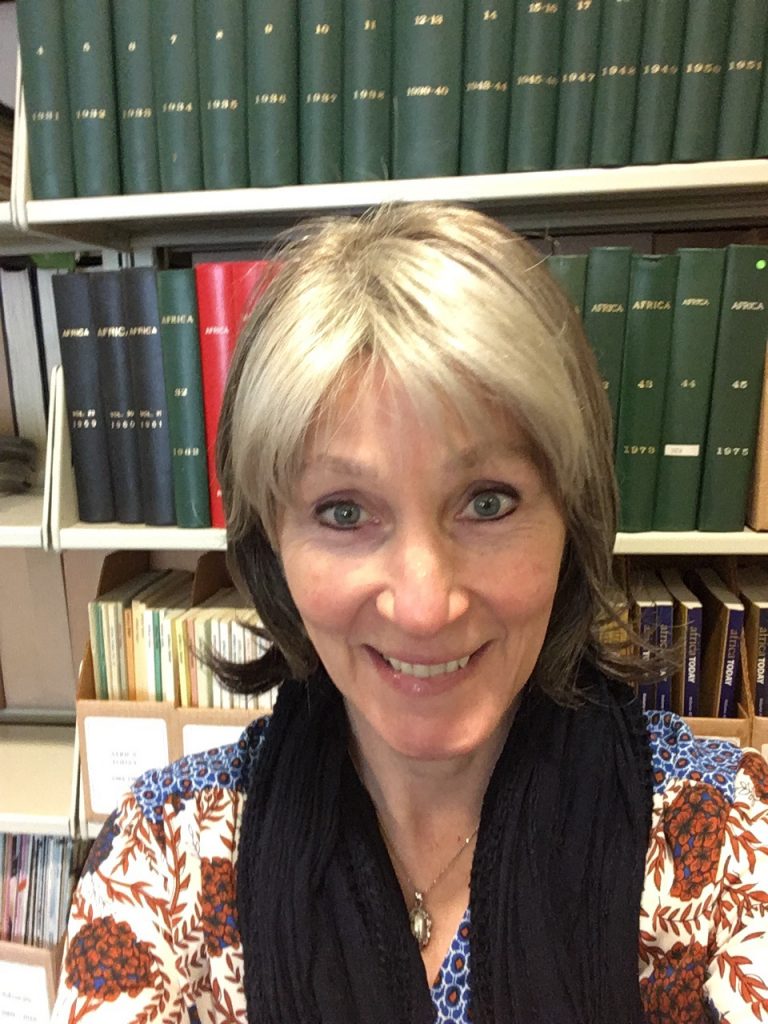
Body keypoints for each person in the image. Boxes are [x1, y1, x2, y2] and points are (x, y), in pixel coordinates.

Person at [53, 203, 768, 1024]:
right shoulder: (164, 857)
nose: (425, 606)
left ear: (573, 520)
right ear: (270, 545)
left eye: (488, 502)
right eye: (345, 513)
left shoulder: (725, 846)